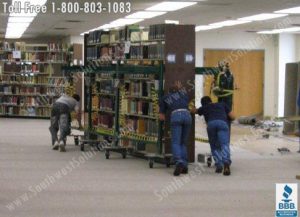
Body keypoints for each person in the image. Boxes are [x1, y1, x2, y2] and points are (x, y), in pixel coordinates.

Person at [193, 96, 235, 176]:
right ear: (211, 100)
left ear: (203, 103)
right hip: (222, 123)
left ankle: (219, 164)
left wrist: (192, 107)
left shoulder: (204, 107)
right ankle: (226, 162)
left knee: (214, 146)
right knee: (224, 144)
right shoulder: (222, 104)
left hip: (211, 124)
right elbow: (233, 117)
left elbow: (194, 111)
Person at [159, 82, 192, 176]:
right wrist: (180, 87)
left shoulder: (165, 98)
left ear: (169, 91)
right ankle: (185, 166)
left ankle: (178, 162)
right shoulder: (183, 95)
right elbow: (182, 90)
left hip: (176, 116)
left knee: (176, 142)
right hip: (187, 115)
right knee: (183, 142)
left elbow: (161, 117)